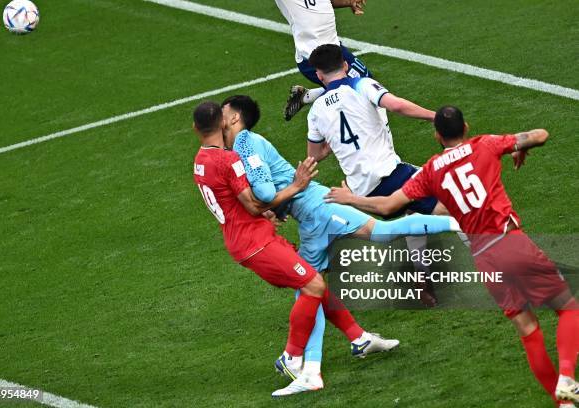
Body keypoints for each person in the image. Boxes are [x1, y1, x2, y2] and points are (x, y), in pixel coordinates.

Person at [325, 105, 579, 406]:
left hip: (484, 258)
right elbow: (541, 134)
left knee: (527, 328)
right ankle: (566, 376)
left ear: (437, 135)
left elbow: (388, 206)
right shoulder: (485, 144)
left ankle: (562, 402)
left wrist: (351, 198)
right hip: (510, 241)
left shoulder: (431, 170)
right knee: (568, 307)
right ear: (466, 127)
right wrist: (518, 148)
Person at [220, 95, 462, 396]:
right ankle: (349, 344)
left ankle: (459, 223)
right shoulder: (242, 144)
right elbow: (273, 190)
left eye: (223, 111)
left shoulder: (243, 143)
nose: (218, 116)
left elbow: (267, 190)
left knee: (379, 234)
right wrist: (275, 207)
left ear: (234, 118)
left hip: (318, 208)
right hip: (309, 218)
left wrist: (270, 202)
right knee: (312, 287)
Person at [192, 101, 389, 397]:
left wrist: (269, 211)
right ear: (222, 124)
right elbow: (255, 203)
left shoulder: (200, 161)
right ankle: (292, 356)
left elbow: (242, 205)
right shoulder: (229, 159)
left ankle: (358, 337)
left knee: (312, 281)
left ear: (196, 129)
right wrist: (296, 186)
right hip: (256, 242)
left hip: (244, 239)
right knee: (312, 284)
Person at [306, 43, 456, 305]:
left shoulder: (316, 112)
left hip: (362, 192)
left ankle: (422, 281)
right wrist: (436, 117)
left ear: (318, 75)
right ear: (344, 65)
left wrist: (330, 144)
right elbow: (397, 106)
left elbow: (315, 154)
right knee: (456, 203)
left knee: (413, 214)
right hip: (391, 176)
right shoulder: (361, 84)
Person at [274, 0, 371, 121]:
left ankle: (305, 97)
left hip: (335, 48)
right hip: (314, 58)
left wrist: (348, 2)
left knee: (366, 82)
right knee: (360, 91)